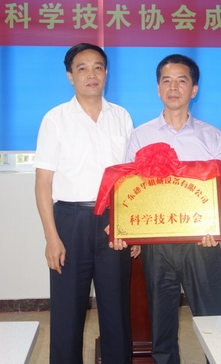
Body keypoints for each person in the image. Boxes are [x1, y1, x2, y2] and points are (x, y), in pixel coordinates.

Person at [124, 54, 221, 364]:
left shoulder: (211, 136)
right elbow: (130, 191)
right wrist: (134, 233)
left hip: (200, 242)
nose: (173, 87)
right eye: (166, 80)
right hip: (157, 245)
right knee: (161, 325)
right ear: (158, 88)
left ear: (194, 89)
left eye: (181, 80)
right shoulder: (141, 135)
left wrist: (214, 226)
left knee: (211, 319)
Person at [33, 43, 133, 364]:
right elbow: (43, 183)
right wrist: (51, 237)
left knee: (117, 312)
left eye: (98, 67)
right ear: (70, 76)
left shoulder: (121, 117)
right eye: (82, 68)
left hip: (113, 222)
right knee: (67, 314)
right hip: (70, 221)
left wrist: (132, 228)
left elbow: (131, 178)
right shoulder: (55, 119)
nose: (91, 74)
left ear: (106, 73)